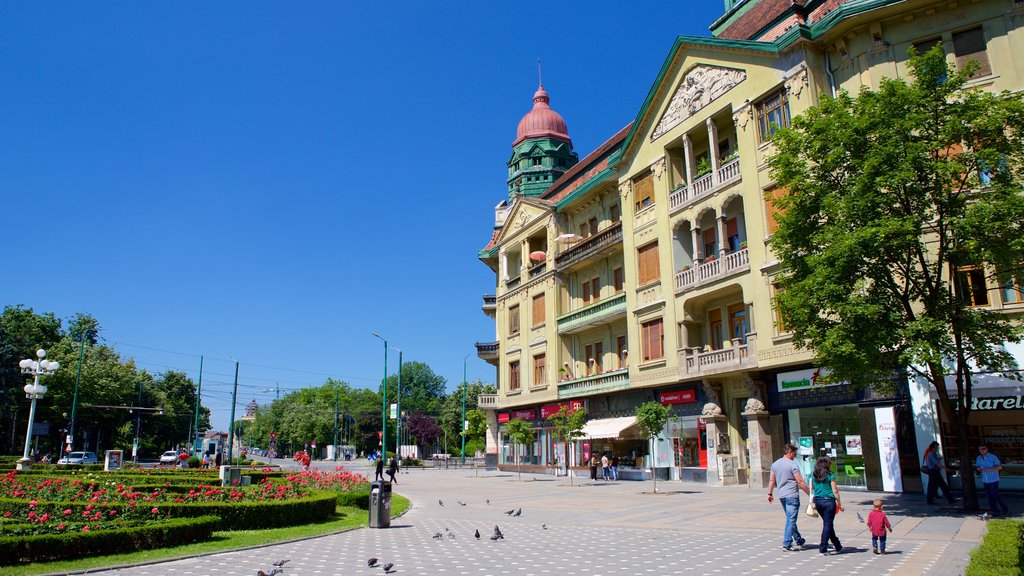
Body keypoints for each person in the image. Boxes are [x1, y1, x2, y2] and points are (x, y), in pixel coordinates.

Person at [767, 443, 810, 551]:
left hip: (782, 495)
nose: (794, 456)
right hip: (792, 495)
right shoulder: (792, 465)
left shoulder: (775, 464)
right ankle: (787, 543)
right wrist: (810, 493)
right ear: (790, 453)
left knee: (790, 518)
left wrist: (770, 493)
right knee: (791, 519)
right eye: (794, 454)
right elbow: (800, 481)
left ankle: (799, 540)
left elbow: (772, 480)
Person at [811, 455, 844, 555]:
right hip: (829, 501)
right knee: (828, 524)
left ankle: (837, 545)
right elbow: (835, 491)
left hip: (818, 501)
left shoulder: (814, 475)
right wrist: (840, 503)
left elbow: (812, 488)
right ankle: (823, 547)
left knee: (828, 524)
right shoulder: (830, 475)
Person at [976, 443, 1010, 518]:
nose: (982, 450)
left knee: (995, 494)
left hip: (994, 479)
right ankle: (995, 512)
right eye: (980, 449)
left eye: (983, 449)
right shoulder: (978, 458)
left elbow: (999, 467)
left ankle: (1005, 508)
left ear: (987, 449)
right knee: (989, 496)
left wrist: (988, 469)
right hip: (985, 480)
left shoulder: (992, 457)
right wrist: (979, 469)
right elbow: (978, 467)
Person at [923, 441, 955, 506]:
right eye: (937, 447)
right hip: (933, 472)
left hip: (935, 471)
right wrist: (946, 469)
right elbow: (937, 464)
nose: (937, 448)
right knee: (935, 486)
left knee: (940, 486)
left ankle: (950, 500)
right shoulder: (931, 454)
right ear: (933, 447)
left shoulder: (934, 454)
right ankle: (930, 500)